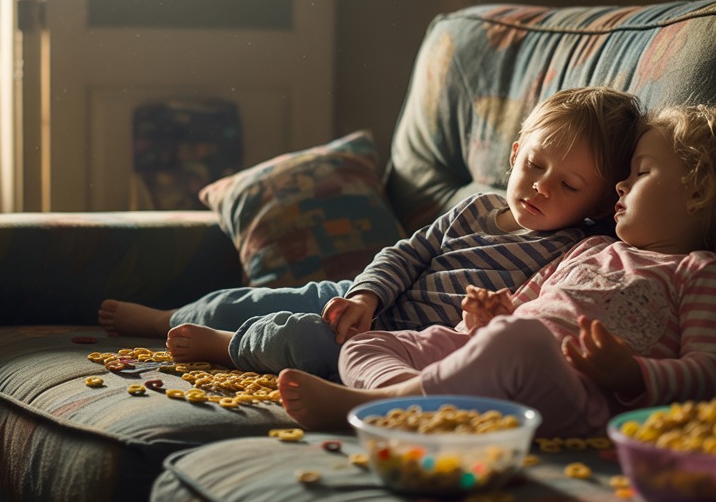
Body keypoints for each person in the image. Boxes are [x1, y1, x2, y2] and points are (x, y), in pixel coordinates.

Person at [277, 101, 716, 436]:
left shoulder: (704, 274)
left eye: (641, 174)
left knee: (523, 341)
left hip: (581, 398)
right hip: (504, 357)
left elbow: (709, 375)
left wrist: (632, 373)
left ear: (697, 192)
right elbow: (523, 304)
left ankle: (371, 409)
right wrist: (486, 317)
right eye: (623, 177)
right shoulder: (589, 247)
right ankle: (409, 406)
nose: (621, 188)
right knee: (371, 341)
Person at [97, 87, 644, 380]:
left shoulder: (576, 252)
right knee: (264, 299)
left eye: (569, 184)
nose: (542, 188)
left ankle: (228, 347)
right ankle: (169, 316)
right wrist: (365, 292)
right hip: (364, 300)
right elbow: (408, 252)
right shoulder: (476, 208)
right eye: (536, 165)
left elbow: (539, 319)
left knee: (300, 340)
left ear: (602, 202)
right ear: (515, 153)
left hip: (400, 344)